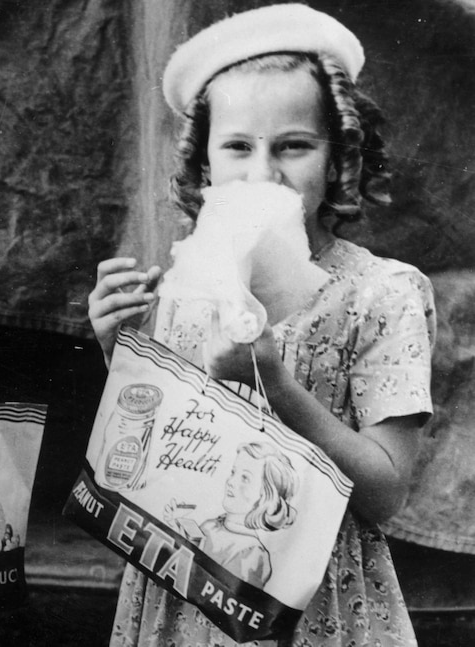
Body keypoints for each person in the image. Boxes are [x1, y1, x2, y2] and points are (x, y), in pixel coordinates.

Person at [88, 4, 435, 646]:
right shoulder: (184, 288)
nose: (264, 172)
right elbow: (157, 457)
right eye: (239, 147)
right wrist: (124, 352)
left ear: (340, 160)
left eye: (294, 146)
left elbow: (385, 493)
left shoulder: (382, 293)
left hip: (317, 606)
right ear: (205, 168)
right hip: (190, 592)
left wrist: (276, 384)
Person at [164, 442, 298, 589]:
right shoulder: (211, 525)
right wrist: (175, 525)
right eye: (233, 472)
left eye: (245, 478)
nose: (231, 482)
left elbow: (210, 593)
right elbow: (188, 554)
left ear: (266, 496)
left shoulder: (252, 554)